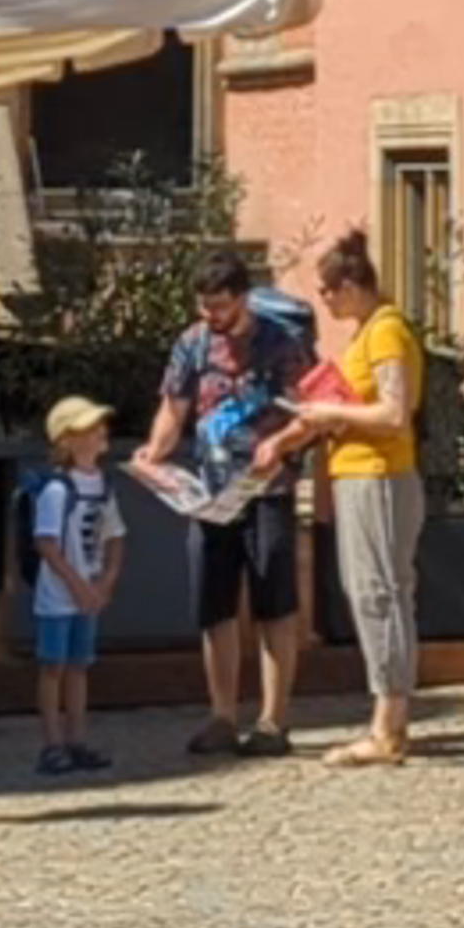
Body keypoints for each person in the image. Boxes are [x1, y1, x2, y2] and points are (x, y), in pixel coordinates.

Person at [146, 249, 316, 758]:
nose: (211, 317)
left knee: (274, 604)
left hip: (268, 489)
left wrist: (281, 444)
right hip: (211, 491)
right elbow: (173, 408)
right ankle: (221, 714)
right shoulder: (192, 345)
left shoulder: (280, 344)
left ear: (242, 299)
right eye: (204, 307)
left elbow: (308, 411)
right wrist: (155, 453)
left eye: (220, 307)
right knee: (214, 605)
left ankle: (272, 719)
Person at [307, 225, 428, 769]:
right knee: (374, 592)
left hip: (379, 474)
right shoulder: (366, 332)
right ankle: (387, 715)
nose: (325, 301)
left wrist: (332, 415)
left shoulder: (384, 331)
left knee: (378, 593)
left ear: (352, 286)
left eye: (328, 291)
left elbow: (394, 413)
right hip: (360, 472)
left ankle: (389, 722)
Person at [26, 394, 123, 779]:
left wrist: (106, 579)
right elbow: (46, 543)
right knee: (54, 666)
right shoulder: (57, 491)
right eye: (89, 429)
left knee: (79, 666)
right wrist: (78, 585)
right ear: (67, 440)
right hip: (59, 596)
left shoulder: (104, 487)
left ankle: (76, 738)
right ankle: (52, 742)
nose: (100, 434)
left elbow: (116, 535)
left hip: (87, 594)